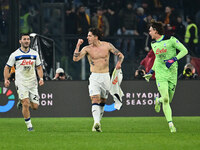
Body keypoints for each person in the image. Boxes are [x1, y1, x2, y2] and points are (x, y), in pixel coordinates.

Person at [73, 28, 124, 132]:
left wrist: (119, 62)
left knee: (102, 102)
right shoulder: (87, 48)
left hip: (106, 76)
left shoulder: (107, 45)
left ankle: (97, 124)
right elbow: (75, 59)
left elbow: (121, 55)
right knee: (95, 99)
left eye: (90, 36)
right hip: (94, 77)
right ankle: (96, 122)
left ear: (96, 37)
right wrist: (78, 45)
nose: (87, 37)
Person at [143, 20, 188, 133]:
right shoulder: (153, 44)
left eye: (150, 30)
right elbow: (157, 59)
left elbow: (184, 50)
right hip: (160, 73)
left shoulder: (171, 39)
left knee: (168, 99)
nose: (149, 33)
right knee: (166, 99)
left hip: (172, 74)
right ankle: (171, 125)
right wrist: (151, 71)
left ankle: (157, 100)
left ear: (156, 31)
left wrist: (173, 59)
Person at [4, 33, 44, 131]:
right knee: (26, 103)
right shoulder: (15, 55)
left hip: (32, 82)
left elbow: (39, 67)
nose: (26, 41)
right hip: (21, 82)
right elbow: (7, 68)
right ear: (20, 41)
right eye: (24, 39)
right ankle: (29, 126)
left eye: (28, 39)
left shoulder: (34, 53)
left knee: (35, 106)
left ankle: (21, 102)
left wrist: (41, 78)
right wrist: (6, 79)